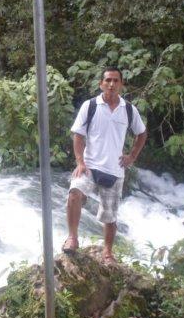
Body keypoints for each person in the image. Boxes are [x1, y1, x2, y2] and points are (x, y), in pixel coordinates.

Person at [62, 67, 147, 264]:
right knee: (74, 193)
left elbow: (142, 133)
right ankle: (72, 238)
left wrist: (132, 156)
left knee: (110, 216)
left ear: (121, 84)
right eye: (108, 80)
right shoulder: (90, 106)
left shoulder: (129, 110)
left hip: (114, 170)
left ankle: (107, 253)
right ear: (101, 84)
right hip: (89, 166)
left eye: (116, 80)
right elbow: (78, 135)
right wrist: (80, 162)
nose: (111, 84)